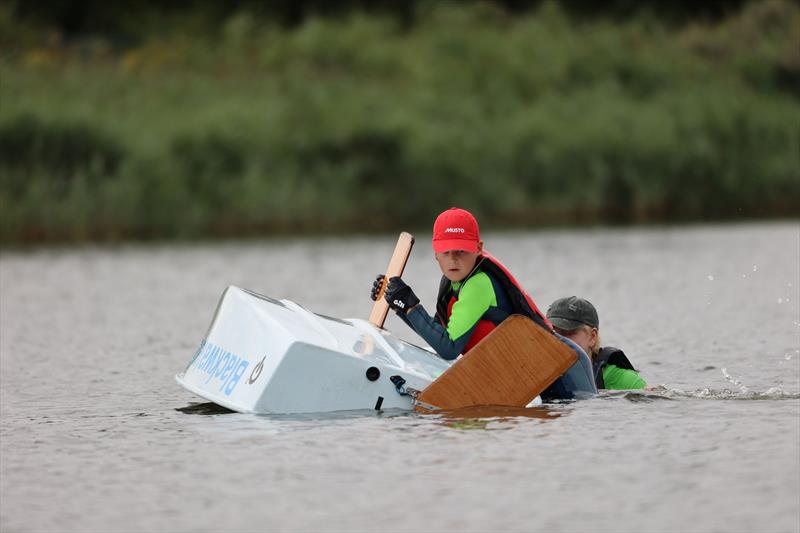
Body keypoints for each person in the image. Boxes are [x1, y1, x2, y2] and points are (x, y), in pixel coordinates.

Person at [370, 207, 556, 361]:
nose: (453, 260)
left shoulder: (478, 284)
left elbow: (449, 348)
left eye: (461, 251)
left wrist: (409, 305)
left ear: (478, 249)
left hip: (556, 375)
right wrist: (398, 304)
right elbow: (436, 334)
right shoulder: (453, 282)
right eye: (446, 252)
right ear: (436, 253)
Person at [546, 296, 647, 390]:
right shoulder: (539, 376)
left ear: (592, 337)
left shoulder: (622, 379)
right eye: (553, 332)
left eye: (570, 333)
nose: (560, 340)